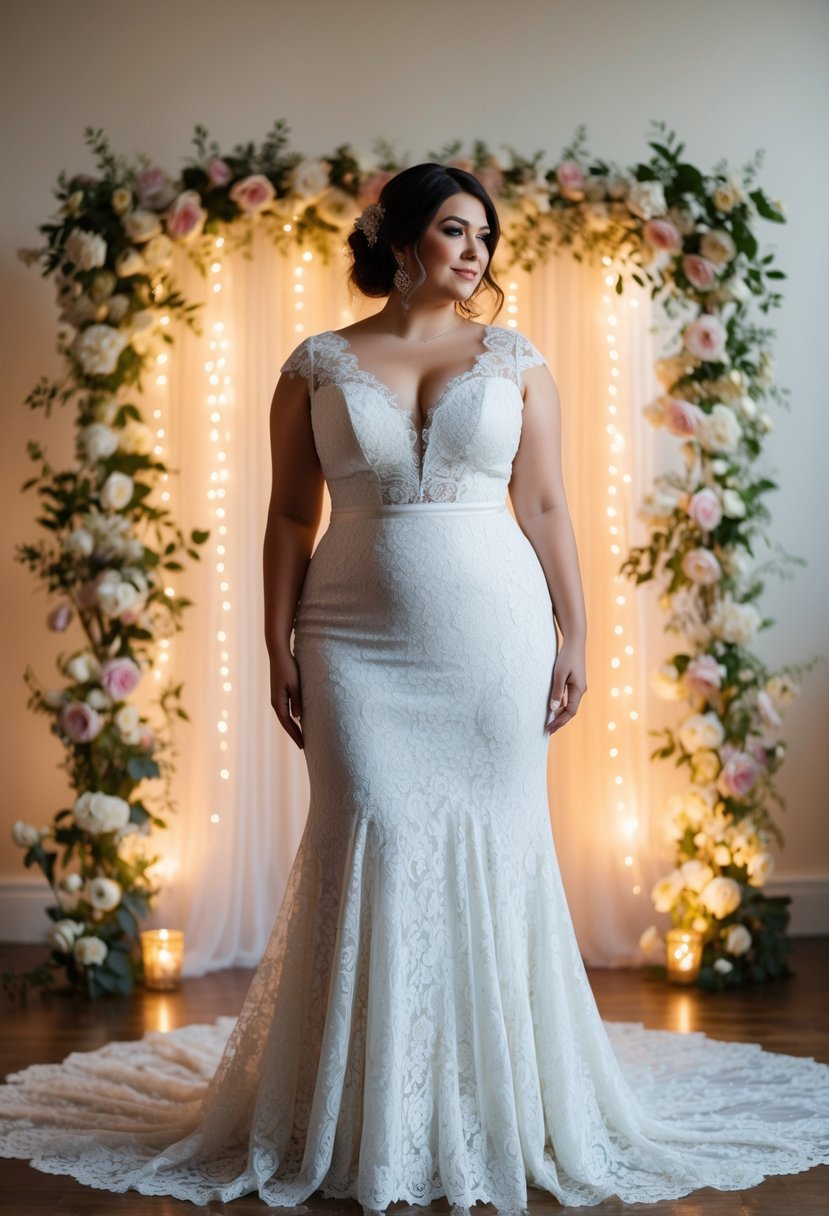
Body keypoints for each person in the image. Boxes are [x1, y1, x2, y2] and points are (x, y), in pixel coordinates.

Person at [1, 163, 828, 1214]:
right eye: (453, 230)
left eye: (484, 235)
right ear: (398, 240)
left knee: (494, 842)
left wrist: (577, 630)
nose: (475, 251)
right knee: (373, 832)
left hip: (493, 635)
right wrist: (275, 645)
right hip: (351, 637)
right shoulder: (316, 365)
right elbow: (289, 520)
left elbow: (544, 505)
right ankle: (361, 1113)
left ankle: (492, 1104)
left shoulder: (519, 362)